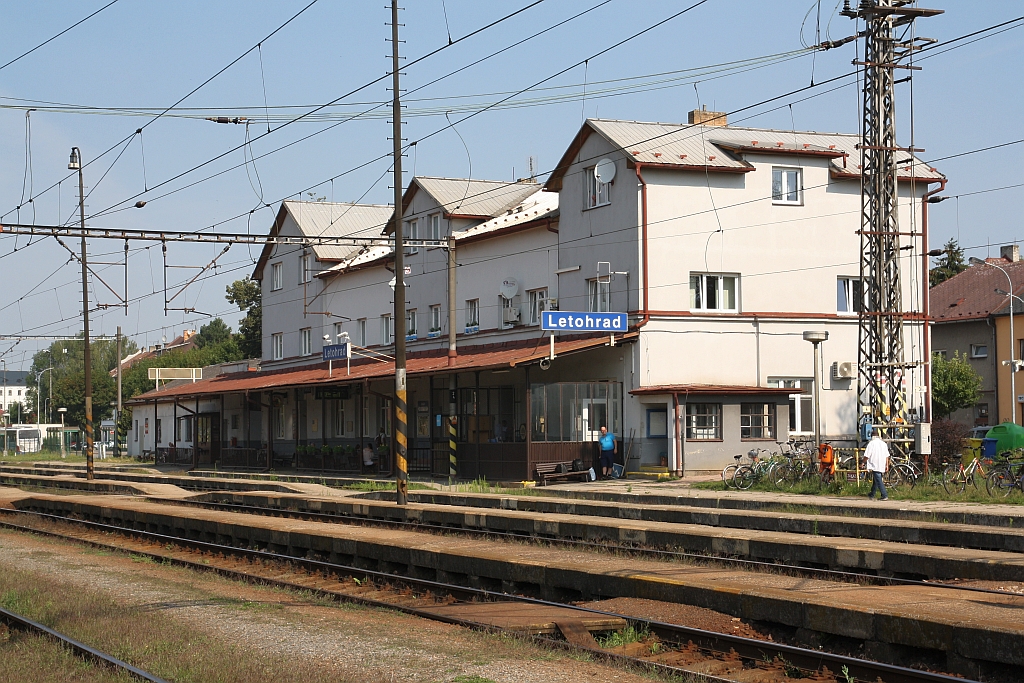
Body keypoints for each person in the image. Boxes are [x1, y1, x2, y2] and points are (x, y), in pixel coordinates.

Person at [864, 427, 890, 501]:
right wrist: (887, 465)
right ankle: (872, 494)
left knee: (878, 480)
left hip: (874, 464)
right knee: (876, 480)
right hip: (882, 464)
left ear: (872, 436)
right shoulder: (883, 444)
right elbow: (887, 455)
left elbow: (867, 455)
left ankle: (884, 495)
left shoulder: (871, 443)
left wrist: (862, 462)